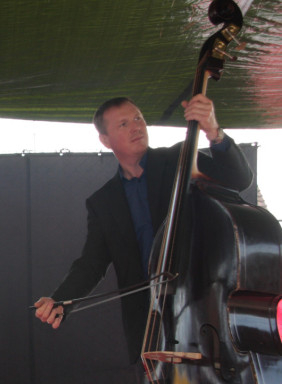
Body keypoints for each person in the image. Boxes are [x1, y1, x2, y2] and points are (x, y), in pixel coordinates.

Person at [34, 93, 253, 364]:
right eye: (123, 124)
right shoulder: (103, 202)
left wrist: (213, 132)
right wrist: (61, 300)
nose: (136, 127)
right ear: (105, 140)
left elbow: (239, 179)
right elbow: (91, 264)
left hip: (202, 309)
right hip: (149, 326)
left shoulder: (180, 159)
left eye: (138, 118)